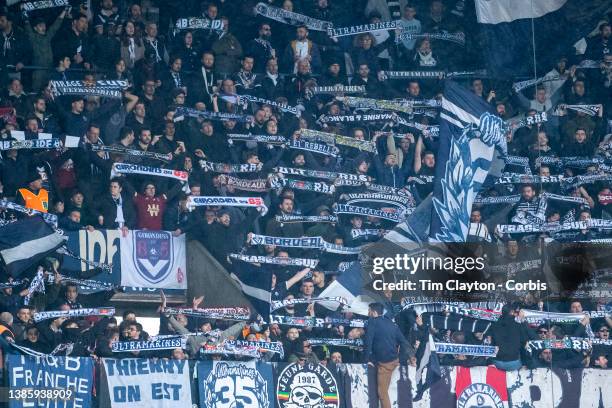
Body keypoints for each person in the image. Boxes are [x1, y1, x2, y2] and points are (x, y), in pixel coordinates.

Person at [364, 302, 412, 408]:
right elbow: (403, 341)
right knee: (384, 391)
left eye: (369, 311)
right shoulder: (391, 323)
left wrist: (366, 359)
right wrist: (411, 357)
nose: (368, 313)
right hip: (394, 360)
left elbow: (368, 341)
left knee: (382, 393)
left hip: (385, 364)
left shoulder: (372, 322)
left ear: (374, 313)